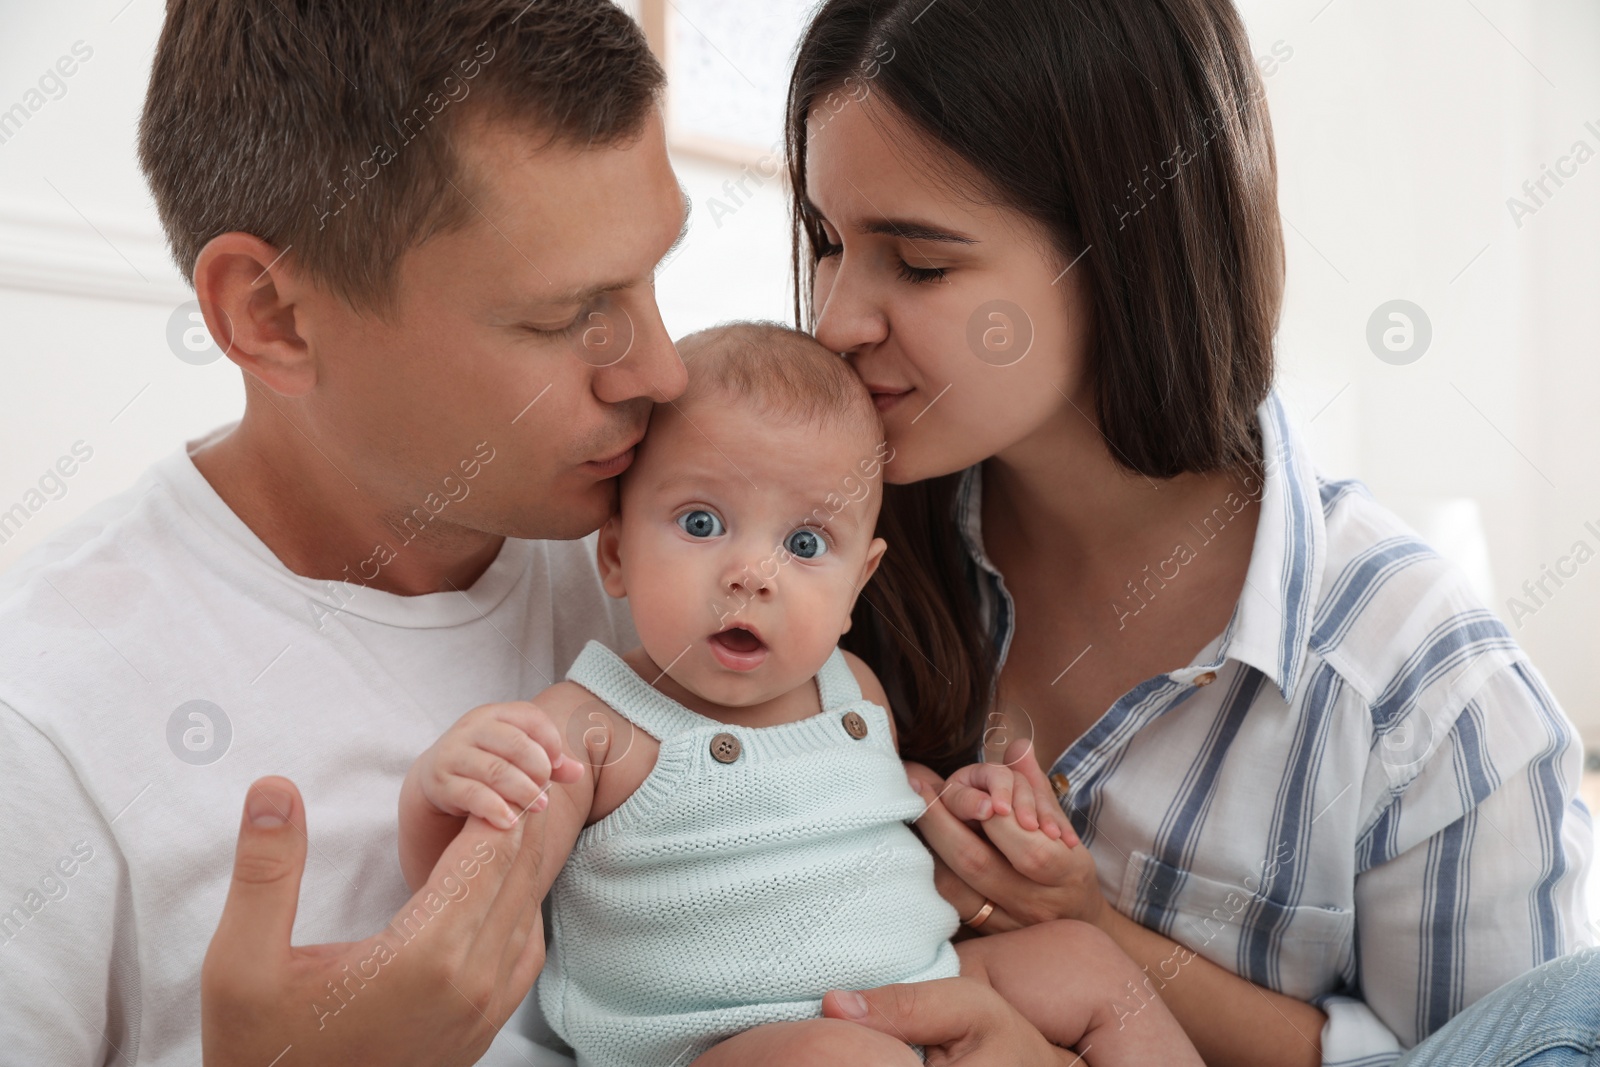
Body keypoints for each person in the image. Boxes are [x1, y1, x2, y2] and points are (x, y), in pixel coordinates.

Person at [782, 0, 1598, 1064]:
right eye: (825, 241)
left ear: (1126, 249)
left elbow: (1496, 1043)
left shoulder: (1427, 698)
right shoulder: (803, 549)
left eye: (921, 264)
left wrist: (1092, 937)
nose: (837, 317)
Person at [0, 2, 693, 1063]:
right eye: (567, 318)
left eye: (653, 274)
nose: (659, 371)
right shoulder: (42, 729)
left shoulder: (684, 558)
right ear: (272, 317)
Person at [396, 322, 1204, 1066]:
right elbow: (479, 908)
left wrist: (959, 805)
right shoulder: (591, 726)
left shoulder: (854, 689)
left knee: (1087, 964)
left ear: (860, 583)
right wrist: (439, 797)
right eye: (702, 523)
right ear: (614, 553)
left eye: (805, 542)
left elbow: (862, 821)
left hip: (923, 985)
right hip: (726, 1044)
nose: (753, 573)